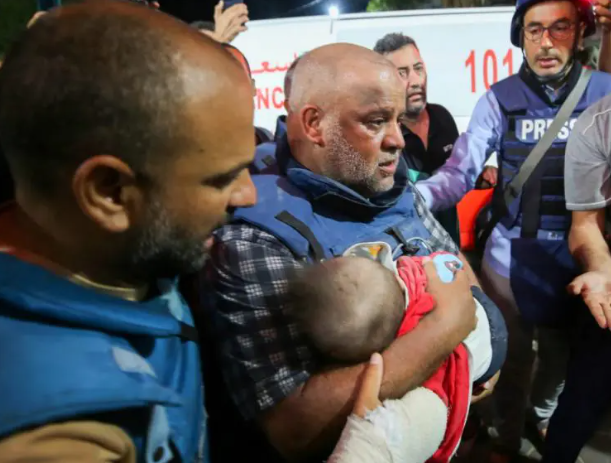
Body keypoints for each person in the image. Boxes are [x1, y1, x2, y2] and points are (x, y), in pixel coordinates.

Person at [198, 42, 488, 463]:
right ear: (315, 124)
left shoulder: (390, 184)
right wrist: (446, 331)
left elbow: (455, 268)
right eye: (376, 121)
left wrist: (481, 347)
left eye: (398, 119)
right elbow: (296, 425)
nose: (397, 140)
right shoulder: (254, 236)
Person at [0, 1, 257, 461]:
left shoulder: (121, 250)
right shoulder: (59, 435)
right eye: (221, 179)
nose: (248, 196)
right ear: (110, 192)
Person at [415, 0, 611, 461]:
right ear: (519, 36)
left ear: (579, 32)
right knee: (511, 360)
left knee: (561, 360)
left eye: (559, 28)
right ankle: (504, 438)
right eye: (534, 30)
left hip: (584, 257)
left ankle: (541, 415)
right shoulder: (497, 99)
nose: (546, 42)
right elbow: (458, 173)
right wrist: (413, 197)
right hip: (509, 259)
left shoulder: (604, 91)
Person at [288, 247, 506, 462]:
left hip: (482, 350)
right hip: (482, 325)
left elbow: (421, 426)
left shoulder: (409, 381)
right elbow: (446, 259)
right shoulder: (411, 275)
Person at [540, 93, 611, 462]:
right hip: (608, 299)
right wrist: (602, 269)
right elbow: (585, 225)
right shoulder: (599, 123)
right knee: (579, 405)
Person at [373, 33, 461, 245]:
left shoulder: (442, 117)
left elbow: (456, 175)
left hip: (451, 249)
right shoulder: (379, 136)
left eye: (418, 68)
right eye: (402, 73)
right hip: (411, 253)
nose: (415, 81)